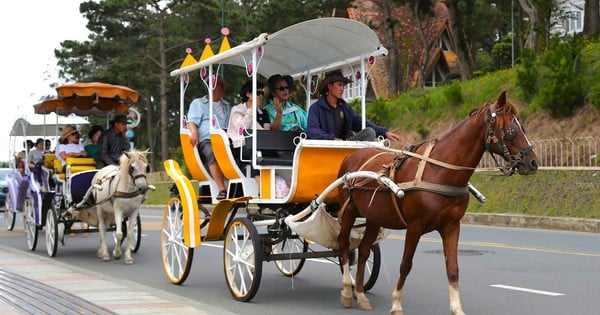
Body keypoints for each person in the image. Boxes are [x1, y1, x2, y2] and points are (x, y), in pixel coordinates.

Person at [307, 70, 402, 142]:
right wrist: (332, 139)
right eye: (339, 85)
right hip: (324, 148)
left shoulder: (345, 108)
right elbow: (312, 130)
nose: (342, 89)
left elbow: (359, 122)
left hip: (345, 146)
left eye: (343, 86)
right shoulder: (315, 108)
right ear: (329, 86)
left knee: (370, 132)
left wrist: (384, 132)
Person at [187, 76, 231, 200]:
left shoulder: (227, 105)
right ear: (211, 86)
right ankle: (222, 188)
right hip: (207, 140)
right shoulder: (198, 103)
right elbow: (191, 122)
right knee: (212, 151)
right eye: (221, 85)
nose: (224, 88)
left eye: (224, 85)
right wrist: (194, 132)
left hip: (225, 139)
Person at [227, 80, 267, 185]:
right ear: (248, 94)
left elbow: (261, 131)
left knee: (272, 151)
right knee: (255, 152)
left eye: (262, 93)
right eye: (257, 92)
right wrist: (252, 109)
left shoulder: (259, 112)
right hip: (240, 147)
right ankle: (261, 186)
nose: (261, 96)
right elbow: (242, 128)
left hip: (256, 144)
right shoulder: (237, 109)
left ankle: (277, 185)